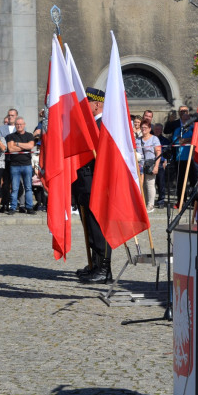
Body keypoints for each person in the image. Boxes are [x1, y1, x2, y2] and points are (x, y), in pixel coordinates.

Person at [74, 87, 111, 282]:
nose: (83, 107)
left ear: (97, 104)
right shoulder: (92, 124)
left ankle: (105, 268)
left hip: (96, 180)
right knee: (89, 224)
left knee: (99, 226)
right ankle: (95, 264)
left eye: (86, 104)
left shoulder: (104, 124)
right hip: (85, 181)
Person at [6, 116, 36, 214]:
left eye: (21, 124)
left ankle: (29, 207)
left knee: (28, 187)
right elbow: (10, 149)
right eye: (17, 124)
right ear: (15, 125)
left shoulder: (29, 135)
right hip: (14, 165)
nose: (19, 126)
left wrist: (17, 144)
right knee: (14, 188)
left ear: (24, 125)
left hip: (26, 165)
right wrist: (24, 147)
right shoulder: (11, 136)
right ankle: (13, 207)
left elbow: (31, 146)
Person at [138, 120, 161, 212]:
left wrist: (156, 166)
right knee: (142, 185)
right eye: (142, 127)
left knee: (150, 184)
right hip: (140, 165)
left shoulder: (154, 139)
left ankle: (150, 205)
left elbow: (158, 152)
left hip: (150, 164)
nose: (143, 129)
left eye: (145, 128)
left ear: (149, 129)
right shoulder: (138, 140)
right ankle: (144, 204)